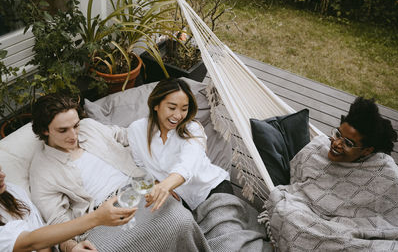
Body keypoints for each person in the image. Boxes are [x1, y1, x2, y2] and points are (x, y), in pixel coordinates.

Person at [29, 94, 211, 252]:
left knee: (180, 220)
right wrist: (71, 247)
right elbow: (56, 221)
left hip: (137, 189)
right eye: (63, 130)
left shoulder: (89, 127)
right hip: (100, 215)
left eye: (75, 125)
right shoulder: (42, 169)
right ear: (45, 130)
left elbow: (128, 136)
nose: (74, 134)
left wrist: (172, 130)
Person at [263, 97, 398, 251]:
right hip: (305, 213)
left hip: (350, 228)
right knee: (289, 218)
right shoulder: (318, 147)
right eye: (337, 134)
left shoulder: (382, 170)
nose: (336, 143)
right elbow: (296, 183)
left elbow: (392, 214)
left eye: (348, 143)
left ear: (367, 150)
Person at [127, 78, 232, 211]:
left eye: (184, 109)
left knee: (224, 229)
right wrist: (158, 184)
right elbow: (141, 166)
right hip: (179, 199)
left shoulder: (194, 129)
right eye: (172, 107)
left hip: (212, 189)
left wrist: (165, 185)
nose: (178, 115)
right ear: (156, 105)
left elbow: (188, 164)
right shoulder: (136, 130)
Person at [0, 165, 136, 252]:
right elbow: (31, 241)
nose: (2, 176)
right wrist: (97, 217)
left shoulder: (12, 191)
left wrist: (70, 247)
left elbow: (41, 233)